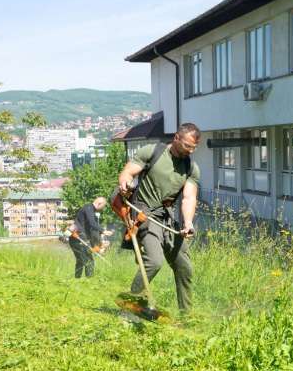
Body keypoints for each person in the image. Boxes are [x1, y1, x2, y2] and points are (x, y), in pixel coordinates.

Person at [117, 123, 200, 313]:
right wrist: (125, 184)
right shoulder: (152, 152)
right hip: (144, 214)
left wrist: (188, 223)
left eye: (194, 147)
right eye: (187, 145)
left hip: (166, 218)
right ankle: (130, 304)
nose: (190, 150)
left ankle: (187, 316)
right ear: (176, 138)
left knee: (184, 267)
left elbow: (189, 198)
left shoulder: (191, 167)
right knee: (154, 262)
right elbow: (127, 173)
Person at [68, 196, 107, 278]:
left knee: (80, 261)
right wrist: (103, 230)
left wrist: (98, 246)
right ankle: (89, 281)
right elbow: (92, 223)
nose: (102, 209)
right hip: (77, 237)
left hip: (77, 238)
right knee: (89, 261)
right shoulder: (89, 208)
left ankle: (77, 280)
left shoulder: (90, 210)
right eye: (103, 207)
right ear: (99, 203)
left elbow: (91, 231)